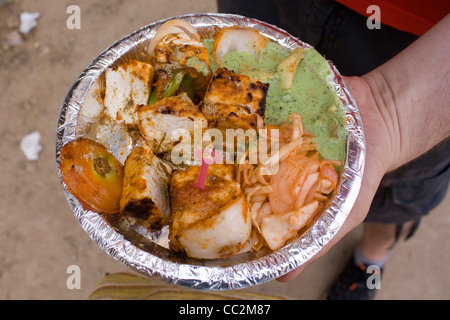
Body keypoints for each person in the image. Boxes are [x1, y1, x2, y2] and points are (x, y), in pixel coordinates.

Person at [217, 0, 450, 299]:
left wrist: (392, 115)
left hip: (417, 42)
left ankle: (371, 260)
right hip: (270, 8)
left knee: (396, 192)